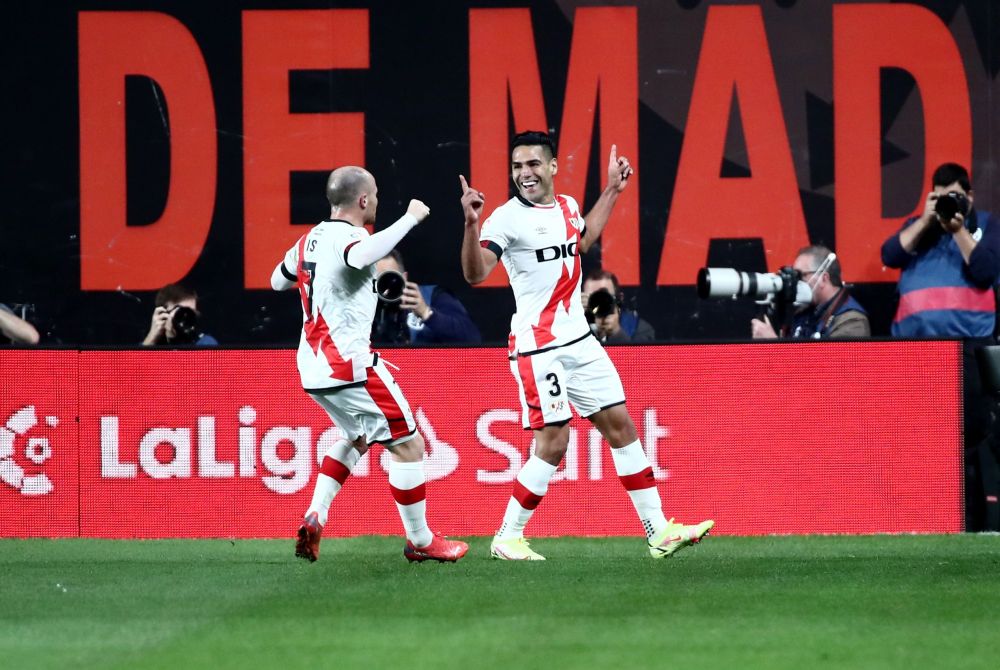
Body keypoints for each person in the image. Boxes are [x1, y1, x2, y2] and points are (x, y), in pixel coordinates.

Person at [460, 130, 713, 560]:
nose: (525, 173)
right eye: (518, 166)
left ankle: (658, 531)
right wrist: (470, 224)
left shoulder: (567, 206)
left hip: (579, 339)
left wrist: (612, 189)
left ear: (553, 166)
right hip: (540, 346)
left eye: (534, 164)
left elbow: (582, 241)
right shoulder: (504, 219)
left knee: (622, 427)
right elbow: (476, 273)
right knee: (554, 444)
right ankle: (507, 536)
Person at [271, 165, 468, 563]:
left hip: (311, 368)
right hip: (349, 366)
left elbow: (278, 280)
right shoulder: (353, 237)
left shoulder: (309, 239)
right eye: (374, 194)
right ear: (363, 200)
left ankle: (316, 514)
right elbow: (359, 254)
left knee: (358, 438)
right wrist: (411, 218)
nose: (377, 200)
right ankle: (421, 540)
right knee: (410, 446)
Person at [881, 162, 1000, 531]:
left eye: (955, 195)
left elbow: (984, 271)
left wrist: (959, 228)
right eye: (939, 194)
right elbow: (890, 255)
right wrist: (927, 219)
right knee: (919, 440)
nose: (947, 201)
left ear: (970, 196)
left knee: (969, 438)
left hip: (968, 349)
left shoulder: (986, 226)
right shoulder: (918, 230)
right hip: (916, 353)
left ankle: (972, 522)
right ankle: (921, 518)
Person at [750, 245, 870, 339]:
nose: (796, 282)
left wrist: (774, 346)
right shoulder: (804, 312)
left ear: (824, 278)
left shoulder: (852, 322)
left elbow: (830, 368)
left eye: (801, 275)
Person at [372, 249, 481, 344]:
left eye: (389, 278)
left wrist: (426, 313)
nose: (383, 286)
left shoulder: (431, 297)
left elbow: (472, 339)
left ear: (404, 278)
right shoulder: (359, 306)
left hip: (425, 366)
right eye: (376, 280)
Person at [581, 268, 656, 344]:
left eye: (604, 296)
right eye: (592, 297)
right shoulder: (575, 325)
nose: (598, 302)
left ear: (619, 299)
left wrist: (616, 331)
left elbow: (637, 355)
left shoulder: (639, 328)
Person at [142, 283, 219, 346]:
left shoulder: (205, 343)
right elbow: (136, 364)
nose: (185, 317)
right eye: (180, 312)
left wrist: (174, 341)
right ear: (162, 314)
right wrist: (151, 337)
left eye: (190, 313)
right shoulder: (152, 344)